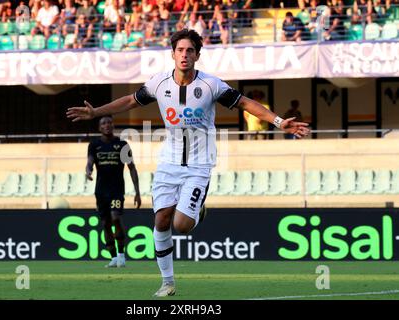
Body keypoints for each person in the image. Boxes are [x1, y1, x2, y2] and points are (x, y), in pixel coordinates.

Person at [67, 29, 310, 297]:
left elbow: (246, 104)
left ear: (197, 55)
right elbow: (129, 101)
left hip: (199, 164)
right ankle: (167, 282)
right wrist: (96, 112)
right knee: (161, 220)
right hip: (169, 162)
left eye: (190, 50)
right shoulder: (159, 83)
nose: (185, 55)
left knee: (181, 226)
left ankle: (198, 209)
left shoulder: (211, 85)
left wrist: (278, 122)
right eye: (180, 50)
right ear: (172, 54)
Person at [86, 116, 142, 268]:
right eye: (103, 123)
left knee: (115, 218)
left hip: (117, 190)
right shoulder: (94, 145)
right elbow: (90, 161)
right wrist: (88, 171)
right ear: (99, 127)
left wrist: (137, 192)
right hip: (101, 191)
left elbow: (132, 167)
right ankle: (113, 258)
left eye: (109, 122)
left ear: (113, 125)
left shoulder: (122, 144)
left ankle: (121, 255)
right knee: (105, 223)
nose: (107, 125)